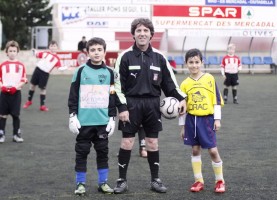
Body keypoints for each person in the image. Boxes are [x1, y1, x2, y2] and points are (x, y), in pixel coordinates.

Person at [113, 17, 187, 194]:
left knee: (152, 143)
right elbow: (116, 86)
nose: (142, 34)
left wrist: (180, 98)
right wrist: (122, 108)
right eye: (138, 30)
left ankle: (155, 180)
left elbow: (169, 83)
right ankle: (121, 180)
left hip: (153, 105)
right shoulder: (124, 57)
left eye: (146, 31)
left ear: (151, 34)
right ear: (133, 34)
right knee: (127, 142)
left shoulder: (159, 57)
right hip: (131, 105)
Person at [68, 37, 116, 196]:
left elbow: (112, 96)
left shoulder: (110, 73)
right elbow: (73, 95)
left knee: (103, 152)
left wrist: (112, 117)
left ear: (104, 52)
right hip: (84, 123)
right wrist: (73, 115)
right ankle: (80, 183)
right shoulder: (80, 71)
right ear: (87, 53)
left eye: (99, 50)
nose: (96, 53)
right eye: (93, 50)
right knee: (81, 152)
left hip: (102, 123)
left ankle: (103, 183)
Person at [179, 48, 225, 193]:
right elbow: (182, 107)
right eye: (191, 62)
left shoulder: (209, 78)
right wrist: (182, 126)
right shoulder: (185, 83)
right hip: (191, 120)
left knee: (212, 150)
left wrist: (217, 119)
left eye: (197, 62)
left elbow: (216, 100)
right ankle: (198, 181)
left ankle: (220, 181)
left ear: (202, 62)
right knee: (195, 149)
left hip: (207, 119)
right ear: (186, 63)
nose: (194, 65)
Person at [23, 40, 68, 111]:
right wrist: (33, 51)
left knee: (43, 89)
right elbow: (36, 54)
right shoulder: (45, 53)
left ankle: (42, 106)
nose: (53, 47)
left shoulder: (57, 59)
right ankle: (29, 101)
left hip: (45, 74)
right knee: (32, 85)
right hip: (37, 70)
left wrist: (64, 68)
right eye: (51, 46)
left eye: (54, 46)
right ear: (49, 47)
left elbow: (59, 68)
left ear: (57, 47)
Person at [0, 40, 27, 143]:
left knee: (16, 115)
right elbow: (0, 79)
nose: (12, 53)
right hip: (4, 94)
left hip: (15, 94)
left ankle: (16, 134)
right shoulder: (2, 65)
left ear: (17, 52)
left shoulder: (21, 65)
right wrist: (2, 87)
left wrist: (16, 87)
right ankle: (1, 134)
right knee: (2, 115)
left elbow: (23, 80)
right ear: (6, 52)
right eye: (10, 51)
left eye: (14, 51)